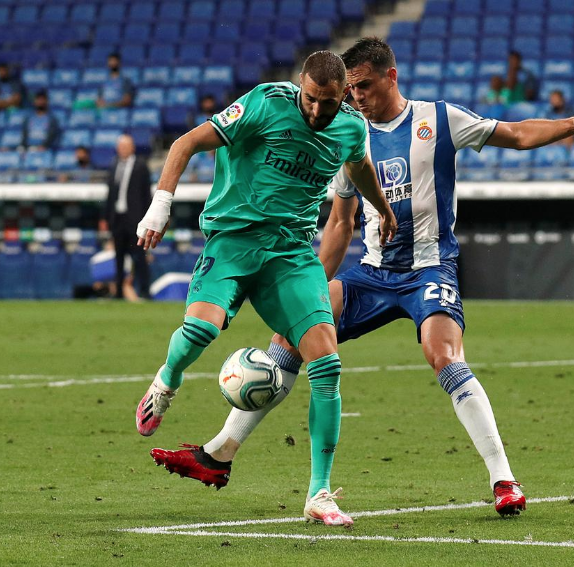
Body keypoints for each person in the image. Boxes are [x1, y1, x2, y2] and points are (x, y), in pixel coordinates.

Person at [150, 37, 574, 518]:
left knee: (442, 354)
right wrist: (311, 290)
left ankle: (503, 479)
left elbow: (518, 134)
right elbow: (339, 224)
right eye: (349, 89)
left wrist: (572, 125)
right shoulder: (344, 134)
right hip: (374, 273)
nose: (355, 96)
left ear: (390, 77)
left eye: (362, 85)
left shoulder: (438, 119)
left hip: (428, 268)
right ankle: (219, 455)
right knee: (294, 338)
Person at [134, 51, 397, 527]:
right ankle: (166, 379)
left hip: (290, 254)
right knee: (200, 331)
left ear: (343, 97)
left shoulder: (350, 127)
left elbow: (359, 169)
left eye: (331, 103)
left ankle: (319, 493)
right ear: (301, 86)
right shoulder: (263, 103)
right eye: (313, 100)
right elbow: (186, 142)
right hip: (234, 239)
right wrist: (161, 206)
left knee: (327, 364)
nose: (319, 112)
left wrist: (382, 207)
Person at [101, 135, 152, 299]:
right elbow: (110, 194)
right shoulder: (114, 165)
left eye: (125, 146)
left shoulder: (141, 166)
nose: (122, 149)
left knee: (139, 257)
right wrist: (106, 217)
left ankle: (145, 291)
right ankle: (119, 293)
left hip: (135, 220)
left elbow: (146, 195)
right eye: (120, 146)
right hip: (118, 218)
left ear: (132, 148)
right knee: (119, 257)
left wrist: (147, 218)